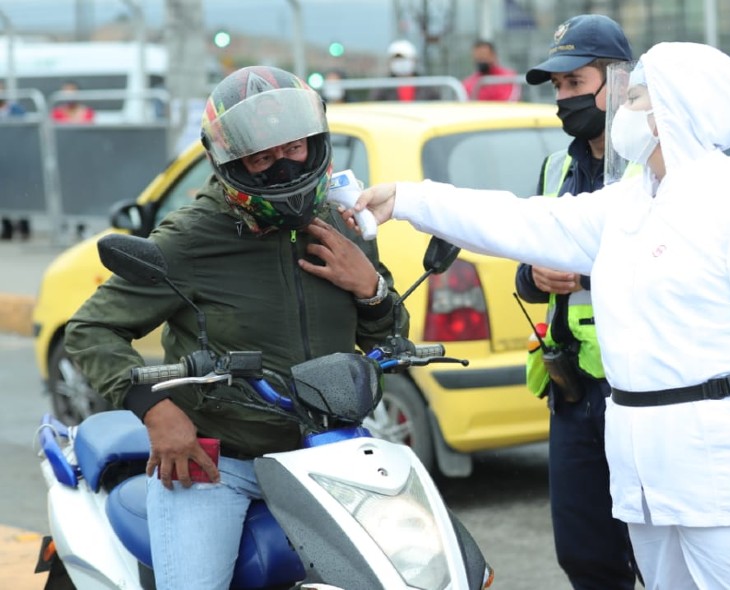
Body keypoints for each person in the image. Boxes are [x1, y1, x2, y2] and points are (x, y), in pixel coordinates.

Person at [347, 42, 730, 589]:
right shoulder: (630, 203)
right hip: (650, 488)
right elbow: (523, 222)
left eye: (637, 98)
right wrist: (409, 200)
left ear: (673, 108)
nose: (623, 108)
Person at [64, 65, 406, 589]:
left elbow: (388, 339)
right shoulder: (193, 237)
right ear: (229, 162)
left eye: (292, 147)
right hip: (220, 465)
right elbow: (91, 329)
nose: (281, 165)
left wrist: (371, 288)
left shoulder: (338, 222)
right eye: (261, 156)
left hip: (333, 455)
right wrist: (156, 411)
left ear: (314, 141)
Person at [513, 13, 638, 590]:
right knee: (584, 555)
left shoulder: (652, 166)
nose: (565, 99)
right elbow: (526, 274)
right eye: (558, 88)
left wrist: (586, 277)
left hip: (639, 389)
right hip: (572, 390)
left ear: (617, 80)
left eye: (576, 83)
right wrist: (537, 274)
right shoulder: (555, 166)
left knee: (656, 551)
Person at [1, 80, 30, 241]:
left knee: (21, 192)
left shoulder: (16, 109)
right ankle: (7, 228)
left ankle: (24, 226)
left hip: (17, 159)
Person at [368, 39, 442, 102]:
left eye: (403, 59)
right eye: (396, 59)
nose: (400, 63)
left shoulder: (427, 88)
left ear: (414, 60)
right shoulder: (383, 89)